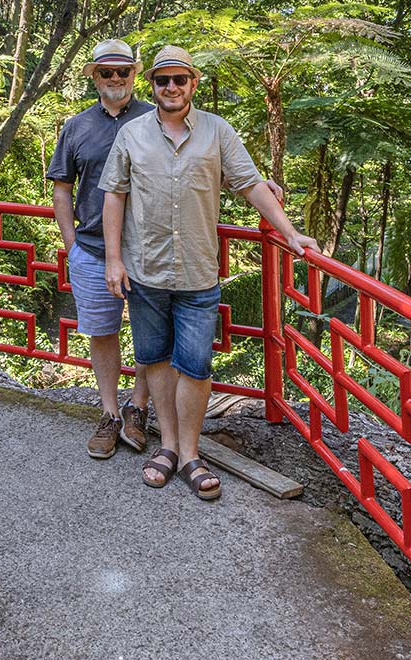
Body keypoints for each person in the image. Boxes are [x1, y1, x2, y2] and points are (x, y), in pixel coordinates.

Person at [101, 45, 315, 501]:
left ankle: (192, 454)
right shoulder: (132, 135)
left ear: (193, 83)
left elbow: (251, 184)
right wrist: (114, 260)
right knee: (155, 359)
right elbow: (114, 196)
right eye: (163, 81)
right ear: (152, 86)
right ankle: (170, 448)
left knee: (196, 366)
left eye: (180, 79)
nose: (172, 88)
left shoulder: (218, 132)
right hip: (145, 270)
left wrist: (292, 235)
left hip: (198, 271)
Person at [47, 39, 155, 460]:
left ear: (134, 74)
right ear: (93, 75)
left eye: (123, 71)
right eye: (106, 72)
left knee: (151, 335)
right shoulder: (76, 127)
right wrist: (71, 243)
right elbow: (61, 188)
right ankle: (109, 413)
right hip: (91, 250)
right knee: (102, 332)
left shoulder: (156, 117)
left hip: (147, 249)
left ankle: (138, 408)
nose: (115, 79)